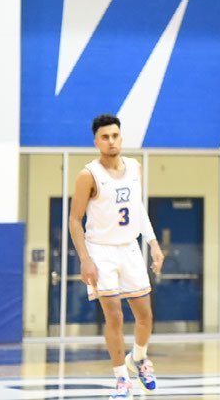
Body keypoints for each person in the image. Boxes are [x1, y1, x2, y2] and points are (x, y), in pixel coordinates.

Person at [69, 114, 165, 399]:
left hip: (130, 248)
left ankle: (138, 358)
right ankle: (121, 379)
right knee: (114, 316)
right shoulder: (88, 174)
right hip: (100, 251)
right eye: (105, 137)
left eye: (115, 136)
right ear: (96, 141)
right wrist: (85, 259)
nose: (111, 141)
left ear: (121, 137)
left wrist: (154, 243)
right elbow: (75, 220)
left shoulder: (135, 167)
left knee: (146, 316)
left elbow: (138, 209)